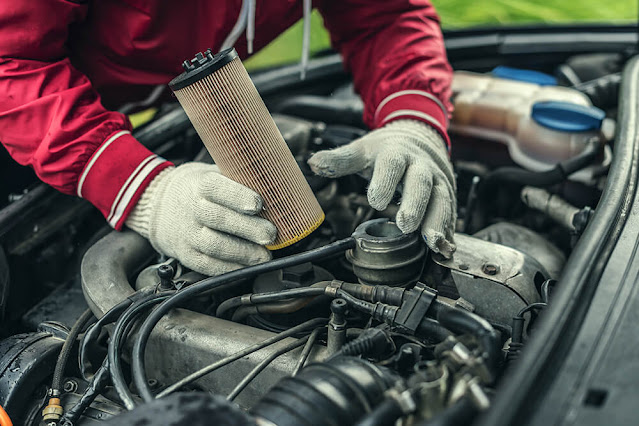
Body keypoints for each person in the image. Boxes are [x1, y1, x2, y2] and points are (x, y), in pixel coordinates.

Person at [0, 0, 455, 277]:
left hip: (144, 93)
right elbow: (11, 59)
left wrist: (414, 120)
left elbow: (385, 17)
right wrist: (137, 187)